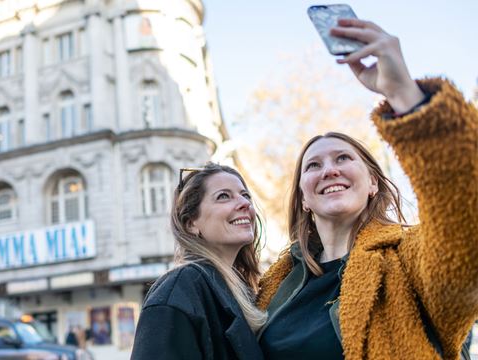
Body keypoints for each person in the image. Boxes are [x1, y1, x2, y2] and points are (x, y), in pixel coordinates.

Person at [256, 18, 478, 359]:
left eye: (343, 158)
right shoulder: (274, 284)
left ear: (373, 183)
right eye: (313, 165)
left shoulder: (409, 258)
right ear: (303, 197)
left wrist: (404, 94)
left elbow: (465, 229)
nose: (329, 170)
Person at [131, 163, 266, 360]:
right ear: (191, 223)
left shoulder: (239, 290)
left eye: (245, 195)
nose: (245, 204)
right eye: (223, 196)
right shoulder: (179, 290)